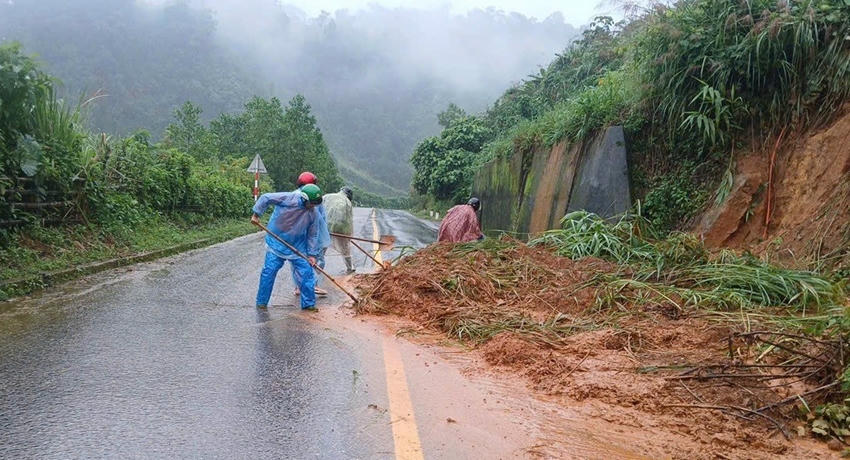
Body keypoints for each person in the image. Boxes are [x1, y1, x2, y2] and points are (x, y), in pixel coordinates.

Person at [252, 183, 324, 311]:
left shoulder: (313, 213)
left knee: (306, 274)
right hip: (276, 242)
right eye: (311, 203)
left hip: (298, 246)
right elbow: (265, 198)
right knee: (269, 272)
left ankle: (309, 305)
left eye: (315, 204)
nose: (313, 206)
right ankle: (261, 303)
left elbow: (313, 235)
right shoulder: (288, 198)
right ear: (304, 198)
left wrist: (312, 255)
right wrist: (256, 214)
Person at [292, 172, 331, 296]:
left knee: (296, 259)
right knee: (314, 259)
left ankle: (298, 287)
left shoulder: (292, 195)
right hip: (312, 233)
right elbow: (321, 219)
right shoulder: (314, 195)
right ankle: (312, 285)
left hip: (296, 234)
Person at [323, 186, 355, 273]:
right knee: (345, 248)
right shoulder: (347, 202)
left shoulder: (326, 196)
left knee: (322, 247)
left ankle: (317, 266)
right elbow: (348, 220)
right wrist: (348, 235)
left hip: (325, 227)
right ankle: (350, 267)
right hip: (340, 229)